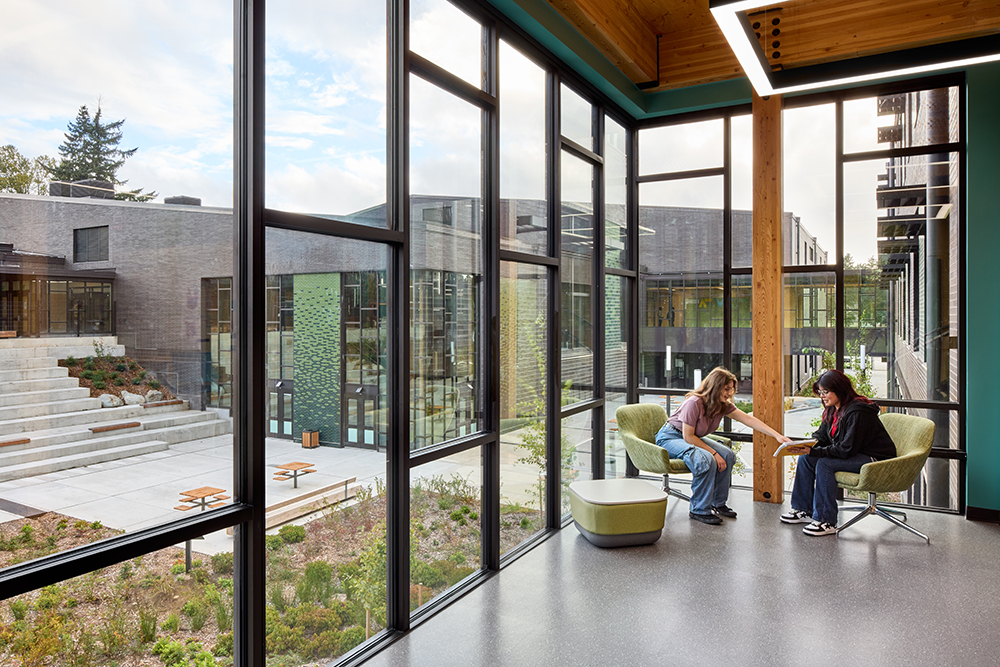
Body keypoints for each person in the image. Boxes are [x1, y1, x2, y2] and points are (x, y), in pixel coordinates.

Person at [655, 367, 792, 525]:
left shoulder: (722, 405)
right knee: (706, 459)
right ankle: (699, 509)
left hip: (691, 437)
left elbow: (748, 419)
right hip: (670, 437)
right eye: (726, 389)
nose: (729, 393)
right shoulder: (694, 402)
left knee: (727, 455)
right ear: (715, 386)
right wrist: (714, 453)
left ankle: (717, 503)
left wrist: (777, 436)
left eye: (731, 389)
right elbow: (688, 437)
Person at [780, 369, 896, 536]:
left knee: (825, 463)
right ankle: (803, 510)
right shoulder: (833, 409)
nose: (822, 396)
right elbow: (822, 435)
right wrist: (807, 446)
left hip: (875, 459)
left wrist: (815, 452)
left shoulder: (858, 412)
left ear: (839, 389)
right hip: (854, 454)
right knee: (806, 458)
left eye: (825, 392)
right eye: (820, 392)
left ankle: (826, 521)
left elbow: (846, 449)